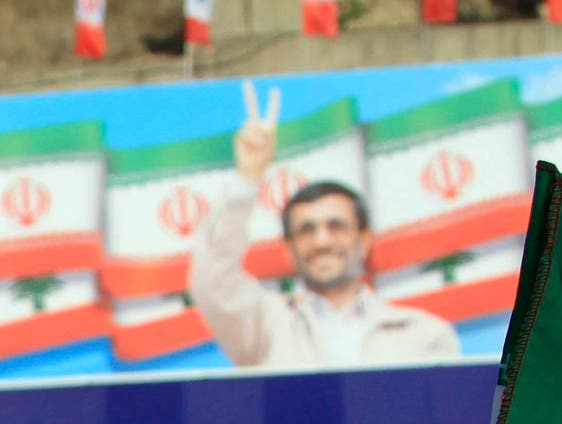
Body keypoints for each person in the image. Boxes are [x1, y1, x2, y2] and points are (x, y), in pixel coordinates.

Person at [189, 82, 457, 370]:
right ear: (289, 250)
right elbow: (211, 279)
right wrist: (247, 178)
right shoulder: (264, 325)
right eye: (306, 230)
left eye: (336, 226)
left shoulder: (422, 335)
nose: (322, 241)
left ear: (364, 240)